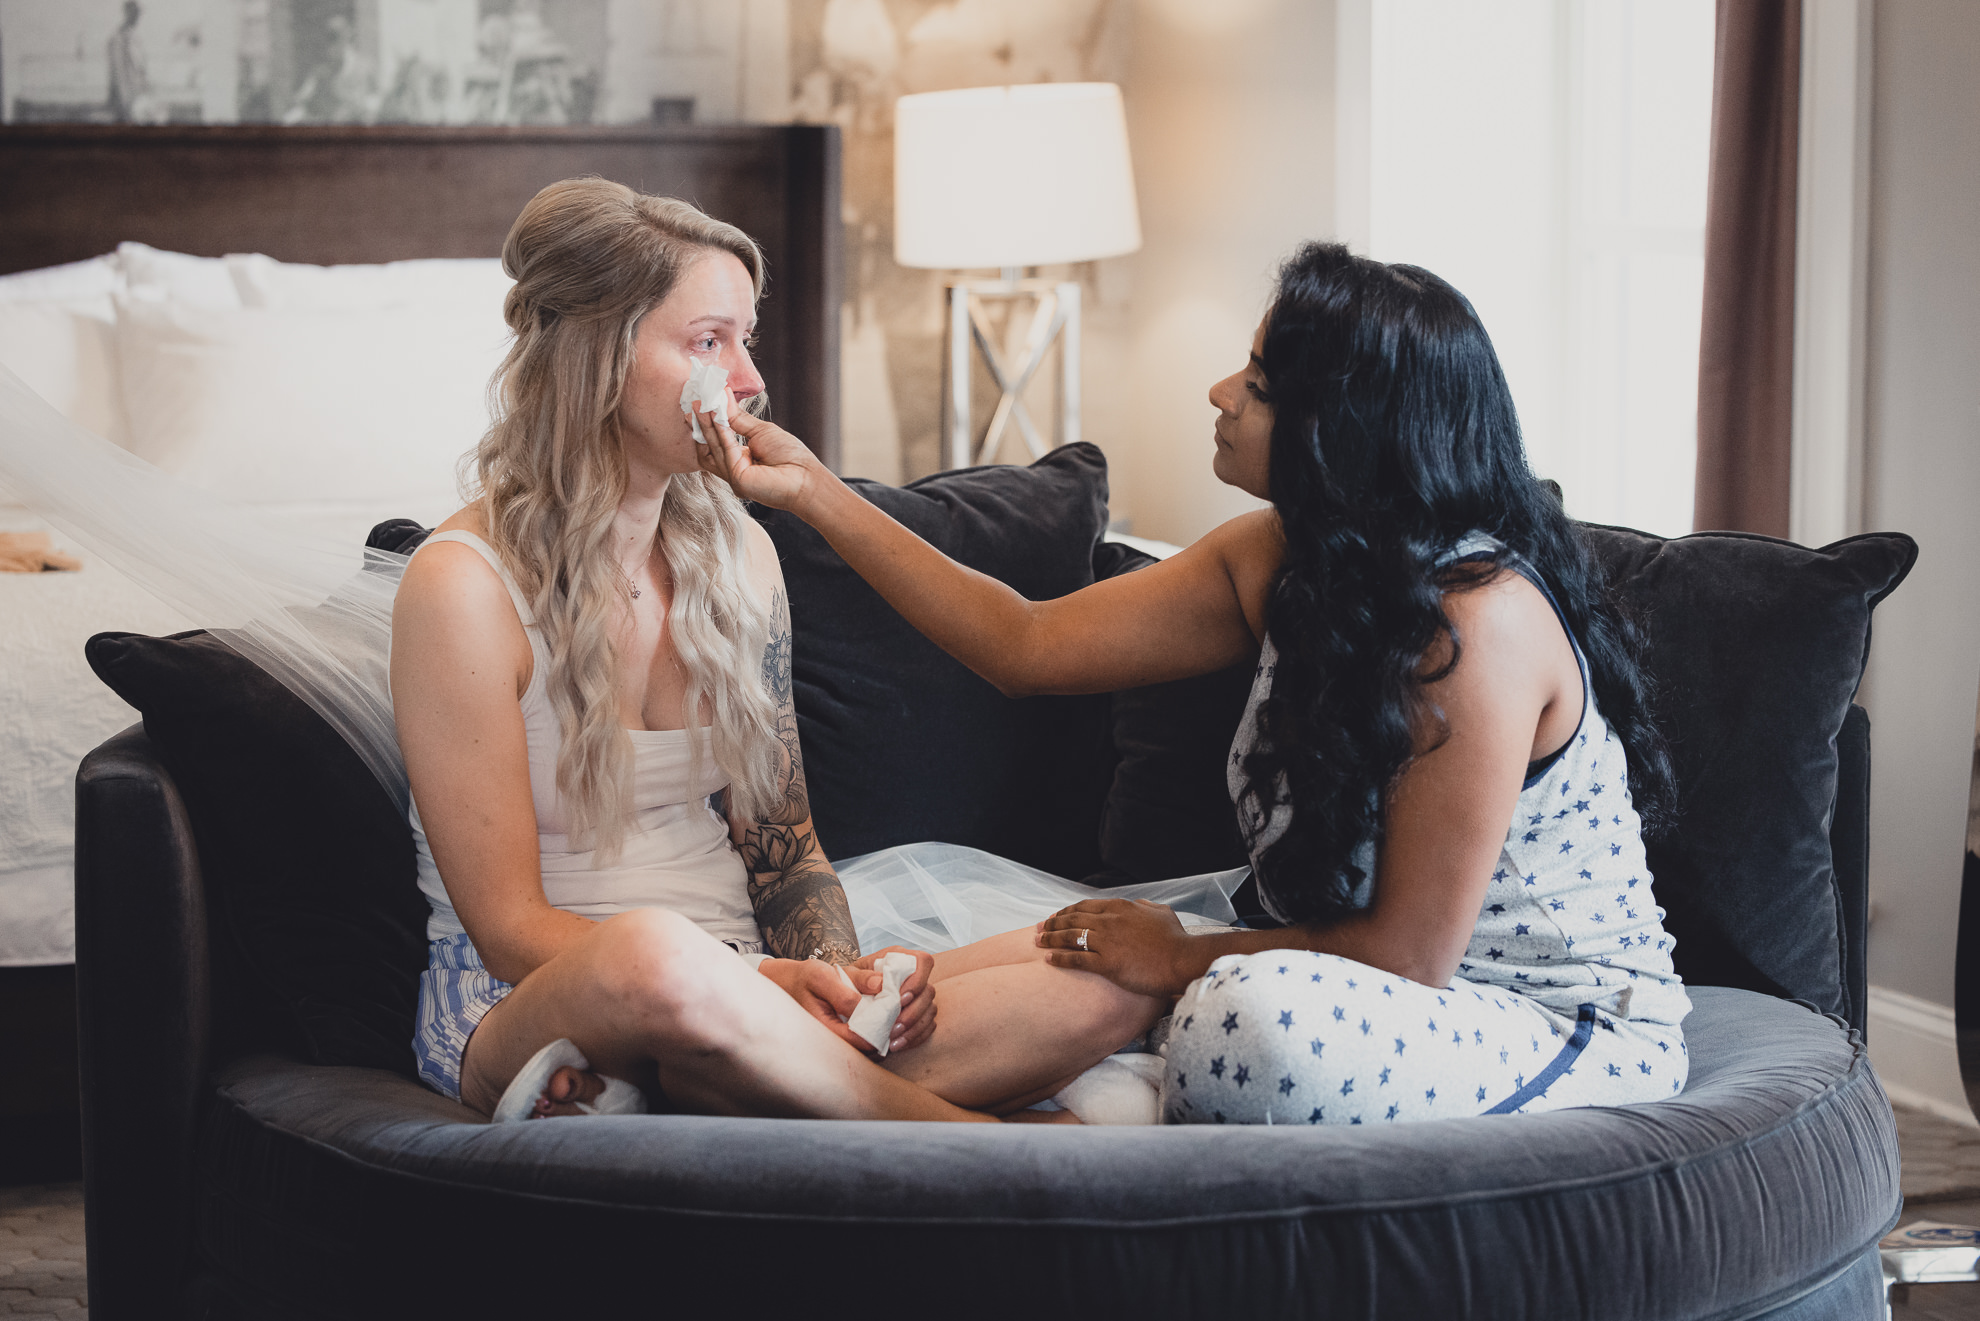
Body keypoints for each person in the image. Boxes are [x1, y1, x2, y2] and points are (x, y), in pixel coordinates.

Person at [694, 242, 1692, 1127]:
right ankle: (725, 1051)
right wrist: (815, 492)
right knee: (1022, 959)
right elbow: (1023, 643)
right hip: (1339, 973)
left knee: (1238, 1014)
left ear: (1333, 427)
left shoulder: (1477, 623)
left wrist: (1177, 959)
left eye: (1258, 381)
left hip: (1540, 1019)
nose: (1221, 392)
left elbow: (1408, 957)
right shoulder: (1279, 556)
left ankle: (1040, 1097)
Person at [391, 177, 1177, 1124]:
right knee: (654, 952)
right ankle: (960, 1135)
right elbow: (507, 927)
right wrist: (754, 985)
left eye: (745, 341)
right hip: (540, 996)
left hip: (749, 983)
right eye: (708, 342)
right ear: (598, 356)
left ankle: (736, 1082)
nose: (749, 381)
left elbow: (786, 850)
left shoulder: (740, 556)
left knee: (1115, 962)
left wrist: (847, 988)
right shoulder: (463, 586)